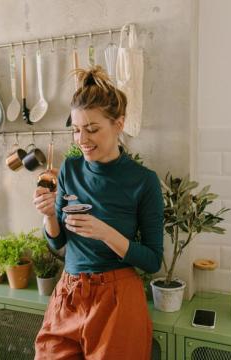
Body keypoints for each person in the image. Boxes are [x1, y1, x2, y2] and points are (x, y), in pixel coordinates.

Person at [32, 66, 164, 360]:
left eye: (92, 130)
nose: (82, 139)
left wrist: (105, 232)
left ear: (119, 124)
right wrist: (49, 215)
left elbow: (154, 260)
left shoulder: (143, 181)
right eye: (76, 130)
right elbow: (58, 243)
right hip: (69, 294)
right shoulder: (70, 168)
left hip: (116, 299)